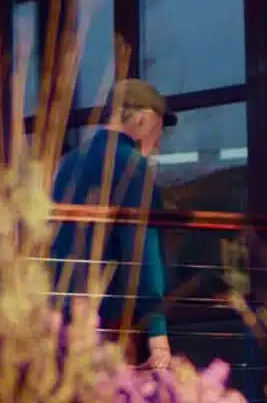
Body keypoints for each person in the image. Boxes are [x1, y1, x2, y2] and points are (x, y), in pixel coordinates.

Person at [49, 78, 177, 370]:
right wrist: (157, 333)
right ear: (143, 120)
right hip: (109, 324)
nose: (158, 140)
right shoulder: (134, 166)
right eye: (159, 128)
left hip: (61, 319)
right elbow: (143, 252)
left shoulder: (68, 163)